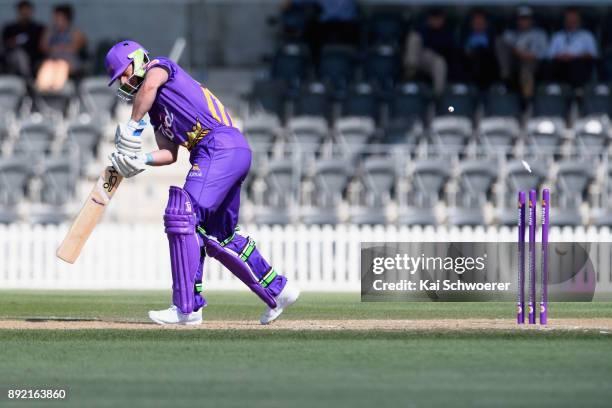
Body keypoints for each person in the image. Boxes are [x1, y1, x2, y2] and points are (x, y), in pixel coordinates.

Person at [104, 40, 300, 325]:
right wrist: (141, 160)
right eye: (118, 78)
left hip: (218, 146)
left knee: (182, 215)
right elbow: (169, 154)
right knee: (219, 235)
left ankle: (186, 308)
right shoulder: (156, 112)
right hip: (227, 151)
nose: (123, 81)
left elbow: (148, 87)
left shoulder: (160, 66)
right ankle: (279, 290)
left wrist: (132, 126)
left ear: (138, 60)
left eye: (124, 72)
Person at [497, 6, 548, 98]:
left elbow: (544, 53)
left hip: (532, 62)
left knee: (526, 69)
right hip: (513, 62)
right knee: (500, 41)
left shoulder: (539, 34)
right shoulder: (510, 33)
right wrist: (517, 52)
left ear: (531, 20)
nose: (523, 21)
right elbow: (504, 48)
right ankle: (506, 79)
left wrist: (527, 55)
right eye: (521, 19)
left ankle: (527, 100)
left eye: (526, 19)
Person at [404, 8, 454, 96]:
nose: (436, 21)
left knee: (439, 62)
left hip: (434, 60)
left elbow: (446, 50)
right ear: (429, 19)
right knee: (414, 38)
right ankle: (410, 76)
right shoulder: (422, 28)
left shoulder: (447, 31)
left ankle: (438, 95)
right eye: (434, 18)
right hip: (417, 57)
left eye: (438, 19)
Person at [35, 4, 86, 91]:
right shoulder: (50, 30)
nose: (55, 19)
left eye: (58, 17)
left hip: (69, 60)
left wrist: (60, 48)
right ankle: (42, 90)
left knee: (61, 65)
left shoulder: (75, 30)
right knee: (48, 65)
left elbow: (76, 47)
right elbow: (43, 46)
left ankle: (56, 91)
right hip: (53, 59)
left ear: (66, 18)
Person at [546, 7, 597, 87]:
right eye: (569, 18)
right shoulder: (557, 36)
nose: (571, 21)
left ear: (579, 20)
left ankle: (577, 92)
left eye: (574, 18)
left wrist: (575, 57)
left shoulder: (587, 35)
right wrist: (562, 57)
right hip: (561, 65)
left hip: (580, 65)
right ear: (564, 20)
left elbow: (593, 54)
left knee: (576, 64)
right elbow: (550, 55)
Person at [1, 1, 44, 77]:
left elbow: (42, 45)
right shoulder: (10, 28)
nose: (25, 13)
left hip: (34, 57)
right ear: (18, 11)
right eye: (23, 11)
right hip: (13, 56)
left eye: (27, 10)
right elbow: (5, 44)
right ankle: (27, 78)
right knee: (20, 55)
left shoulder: (38, 28)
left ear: (31, 11)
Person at [462, 9, 499, 89]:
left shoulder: (491, 36)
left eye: (481, 23)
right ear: (471, 24)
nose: (478, 25)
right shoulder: (466, 36)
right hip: (470, 62)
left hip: (488, 64)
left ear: (486, 24)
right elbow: (465, 51)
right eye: (476, 23)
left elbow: (494, 52)